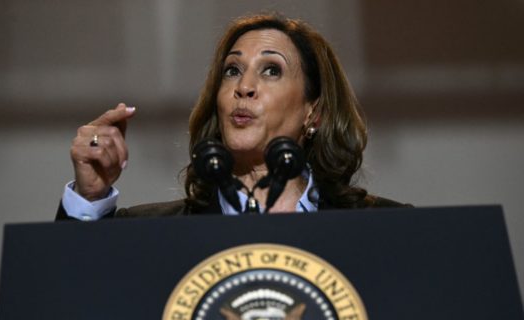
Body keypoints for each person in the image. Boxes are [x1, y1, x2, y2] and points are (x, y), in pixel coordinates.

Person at [56, 13, 409, 221]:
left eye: (271, 70)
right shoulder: (146, 230)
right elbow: (65, 300)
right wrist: (89, 197)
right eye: (232, 70)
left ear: (313, 111)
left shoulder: (386, 228)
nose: (244, 86)